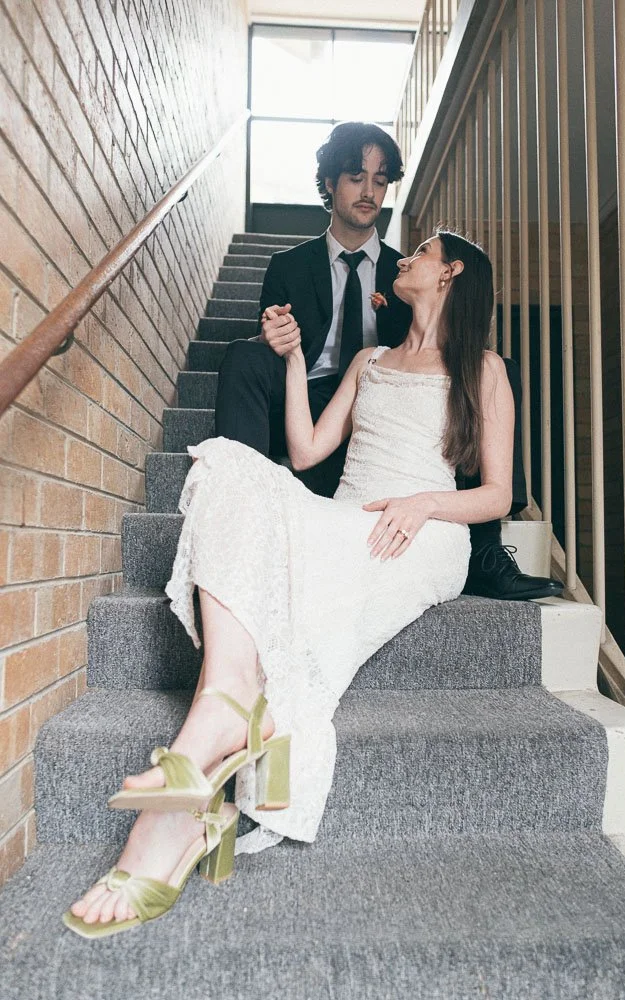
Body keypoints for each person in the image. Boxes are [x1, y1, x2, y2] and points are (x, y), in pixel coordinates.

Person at [64, 231, 517, 938]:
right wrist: (297, 358)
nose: (404, 258)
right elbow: (306, 451)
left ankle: (182, 795)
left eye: (421, 252)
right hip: (341, 515)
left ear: (451, 272)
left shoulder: (482, 369)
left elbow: (495, 494)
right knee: (225, 463)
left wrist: (424, 502)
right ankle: (224, 715)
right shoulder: (369, 360)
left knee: (285, 578)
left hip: (421, 531)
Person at [215, 121, 562, 601]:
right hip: (313, 405)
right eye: (357, 176)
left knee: (496, 367)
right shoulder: (287, 267)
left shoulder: (406, 271)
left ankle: (485, 546)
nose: (369, 191)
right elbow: (282, 348)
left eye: (380, 181)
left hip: (386, 429)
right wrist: (276, 338)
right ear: (330, 182)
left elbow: (440, 361)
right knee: (245, 356)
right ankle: (239, 503)